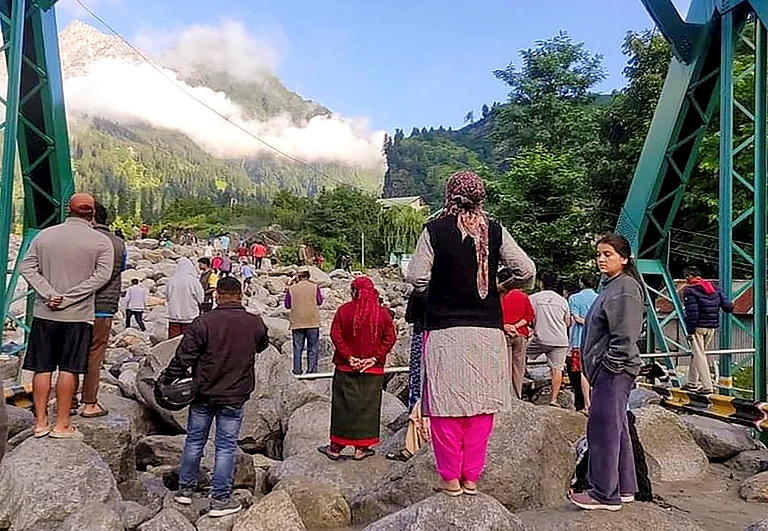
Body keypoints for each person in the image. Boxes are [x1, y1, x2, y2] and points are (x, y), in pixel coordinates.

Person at [406, 171, 536, 496]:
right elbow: (527, 271)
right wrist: (501, 286)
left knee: (445, 406)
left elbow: (416, 277)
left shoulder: (434, 229)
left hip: (445, 332)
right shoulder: (494, 229)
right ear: (481, 196)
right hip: (487, 333)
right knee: (481, 408)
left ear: (449, 194)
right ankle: (471, 479)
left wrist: (438, 291)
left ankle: (450, 480)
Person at [167, 277, 269, 518]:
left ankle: (185, 489)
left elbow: (184, 357)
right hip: (235, 393)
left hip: (203, 392)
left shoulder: (203, 322)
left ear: (217, 295)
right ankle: (220, 498)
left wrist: (166, 379)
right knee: (225, 446)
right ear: (241, 295)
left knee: (194, 441)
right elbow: (262, 344)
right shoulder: (254, 322)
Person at [20, 192, 114, 438]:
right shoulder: (100, 242)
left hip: (45, 312)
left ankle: (40, 423)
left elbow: (26, 267)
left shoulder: (45, 236)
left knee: (42, 369)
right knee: (69, 370)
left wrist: (49, 293)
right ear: (92, 213)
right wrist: (70, 297)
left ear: (67, 210)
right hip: (78, 315)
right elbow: (101, 277)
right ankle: (62, 424)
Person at [570, 233, 644, 511]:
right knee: (617, 426)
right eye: (599, 254)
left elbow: (625, 335)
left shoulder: (624, 288)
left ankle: (604, 493)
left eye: (608, 254)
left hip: (614, 371)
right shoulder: (614, 286)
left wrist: (607, 366)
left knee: (602, 430)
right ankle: (624, 487)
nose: (601, 259)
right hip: (611, 370)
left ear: (624, 258)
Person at [318, 276, 397, 461]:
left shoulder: (344, 311)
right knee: (367, 409)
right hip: (372, 370)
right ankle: (361, 449)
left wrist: (350, 357)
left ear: (354, 291)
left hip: (346, 367)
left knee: (342, 407)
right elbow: (390, 338)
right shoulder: (382, 313)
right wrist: (374, 358)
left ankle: (336, 447)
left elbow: (336, 335)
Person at [81, 202, 127, 418]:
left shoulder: (81, 241)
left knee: (72, 352)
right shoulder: (119, 243)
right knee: (96, 353)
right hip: (104, 308)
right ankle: (90, 401)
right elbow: (119, 269)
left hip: (78, 306)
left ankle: (69, 401)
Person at [682, 265, 734, 394]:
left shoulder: (690, 290)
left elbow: (692, 313)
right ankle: (692, 383)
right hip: (711, 327)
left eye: (686, 276)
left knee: (700, 356)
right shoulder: (714, 288)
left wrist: (690, 330)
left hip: (698, 327)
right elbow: (728, 306)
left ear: (690, 276)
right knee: (698, 354)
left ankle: (707, 386)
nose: (686, 279)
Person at [528, 274, 571, 407]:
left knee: (521, 353)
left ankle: (521, 378)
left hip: (541, 338)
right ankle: (553, 399)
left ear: (541, 284)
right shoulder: (562, 301)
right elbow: (568, 322)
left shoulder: (533, 298)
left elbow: (529, 318)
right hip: (560, 340)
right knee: (557, 369)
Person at [498, 268, 535, 400]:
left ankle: (506, 396)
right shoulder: (522, 296)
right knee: (518, 367)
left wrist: (506, 327)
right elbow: (530, 315)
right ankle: (517, 395)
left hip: (503, 334)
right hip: (521, 334)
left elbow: (493, 316)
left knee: (505, 367)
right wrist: (516, 326)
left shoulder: (498, 296)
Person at [568, 273, 599, 413]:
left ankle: (585, 404)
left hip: (579, 340)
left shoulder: (574, 298)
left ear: (581, 283)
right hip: (597, 341)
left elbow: (575, 318)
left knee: (581, 372)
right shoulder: (599, 298)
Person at [285, 268, 323, 375]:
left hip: (297, 321)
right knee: (313, 347)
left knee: (298, 348)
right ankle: (312, 370)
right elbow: (319, 301)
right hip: (312, 320)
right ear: (308, 276)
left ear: (298, 277)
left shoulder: (292, 289)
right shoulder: (315, 287)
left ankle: (297, 370)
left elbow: (287, 305)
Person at [167, 257, 205, 339]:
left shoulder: (171, 280)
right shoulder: (193, 281)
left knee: (173, 341)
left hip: (174, 315)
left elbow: (167, 296)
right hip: (190, 315)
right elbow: (201, 298)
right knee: (189, 340)